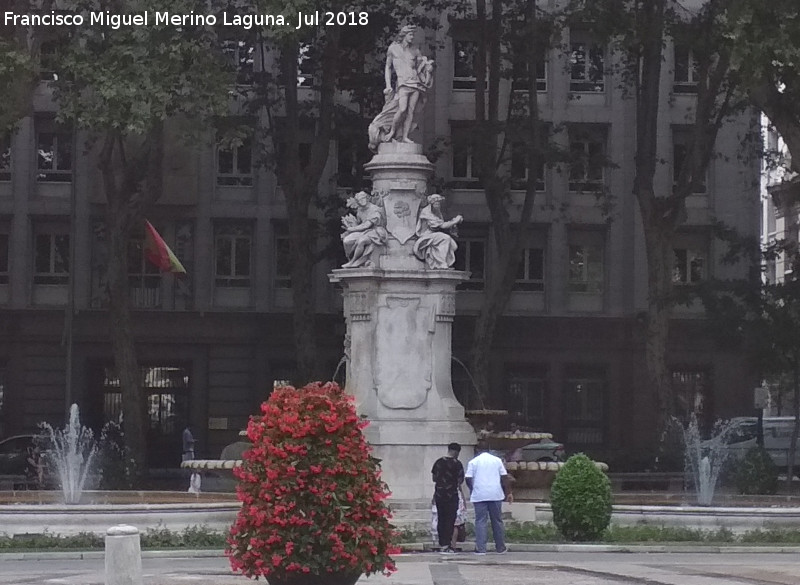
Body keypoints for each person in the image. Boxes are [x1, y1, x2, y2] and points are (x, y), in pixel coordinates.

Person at [368, 24, 435, 152]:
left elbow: (423, 67)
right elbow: (388, 67)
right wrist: (388, 85)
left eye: (413, 35)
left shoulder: (415, 50)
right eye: (410, 35)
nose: (412, 37)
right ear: (404, 35)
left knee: (411, 111)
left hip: (416, 84)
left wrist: (429, 69)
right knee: (402, 109)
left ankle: (404, 137)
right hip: (403, 84)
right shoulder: (393, 49)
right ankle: (392, 132)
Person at [465, 439, 512, 555]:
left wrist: (473, 489)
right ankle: (500, 547)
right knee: (497, 521)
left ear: (477, 449)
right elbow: (505, 477)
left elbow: (468, 478)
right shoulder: (497, 461)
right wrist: (509, 492)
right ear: (489, 449)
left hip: (479, 494)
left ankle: (481, 548)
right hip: (495, 494)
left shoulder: (473, 462)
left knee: (480, 521)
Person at [431, 442, 465, 554]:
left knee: (441, 518)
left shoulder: (438, 462)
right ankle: (449, 545)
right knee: (450, 520)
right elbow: (460, 480)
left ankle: (442, 543)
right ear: (456, 452)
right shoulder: (457, 464)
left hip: (440, 495)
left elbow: (434, 478)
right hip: (452, 495)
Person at [413, 194, 463, 269]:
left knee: (453, 246)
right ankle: (441, 263)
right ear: (432, 204)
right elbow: (442, 226)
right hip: (426, 236)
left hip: (433, 235)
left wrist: (453, 223)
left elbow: (442, 224)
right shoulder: (426, 212)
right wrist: (455, 221)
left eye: (439, 203)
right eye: (436, 203)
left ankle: (439, 261)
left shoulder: (436, 213)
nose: (438, 205)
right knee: (446, 238)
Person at [341, 190, 388, 268]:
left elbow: (366, 225)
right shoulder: (360, 210)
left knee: (361, 241)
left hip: (376, 232)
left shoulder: (375, 209)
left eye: (362, 198)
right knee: (346, 240)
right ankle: (350, 259)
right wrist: (350, 222)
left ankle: (354, 262)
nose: (361, 201)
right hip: (364, 231)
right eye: (359, 200)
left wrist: (351, 229)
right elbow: (359, 223)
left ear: (367, 198)